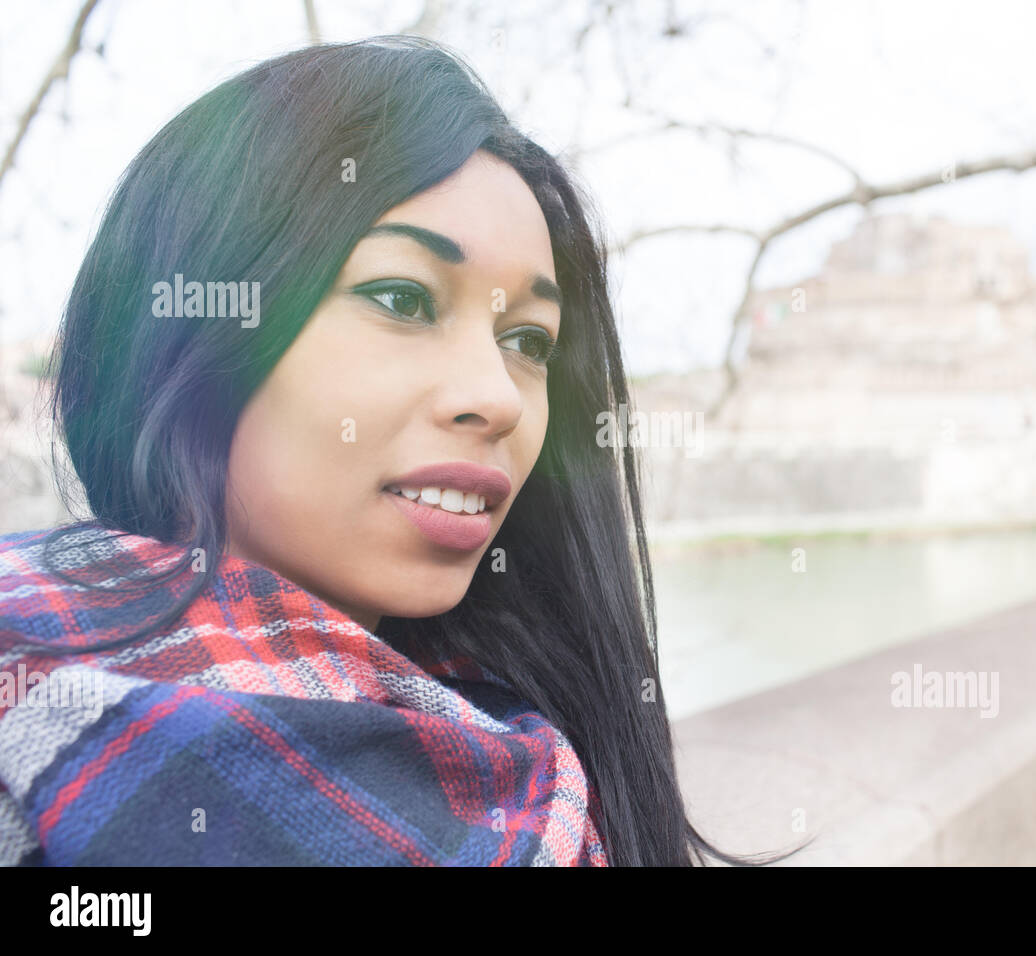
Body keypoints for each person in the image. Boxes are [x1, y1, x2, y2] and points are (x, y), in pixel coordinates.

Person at [0, 36, 806, 867]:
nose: (496, 396)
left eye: (528, 339)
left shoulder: (537, 771)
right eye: (402, 298)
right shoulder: (26, 705)